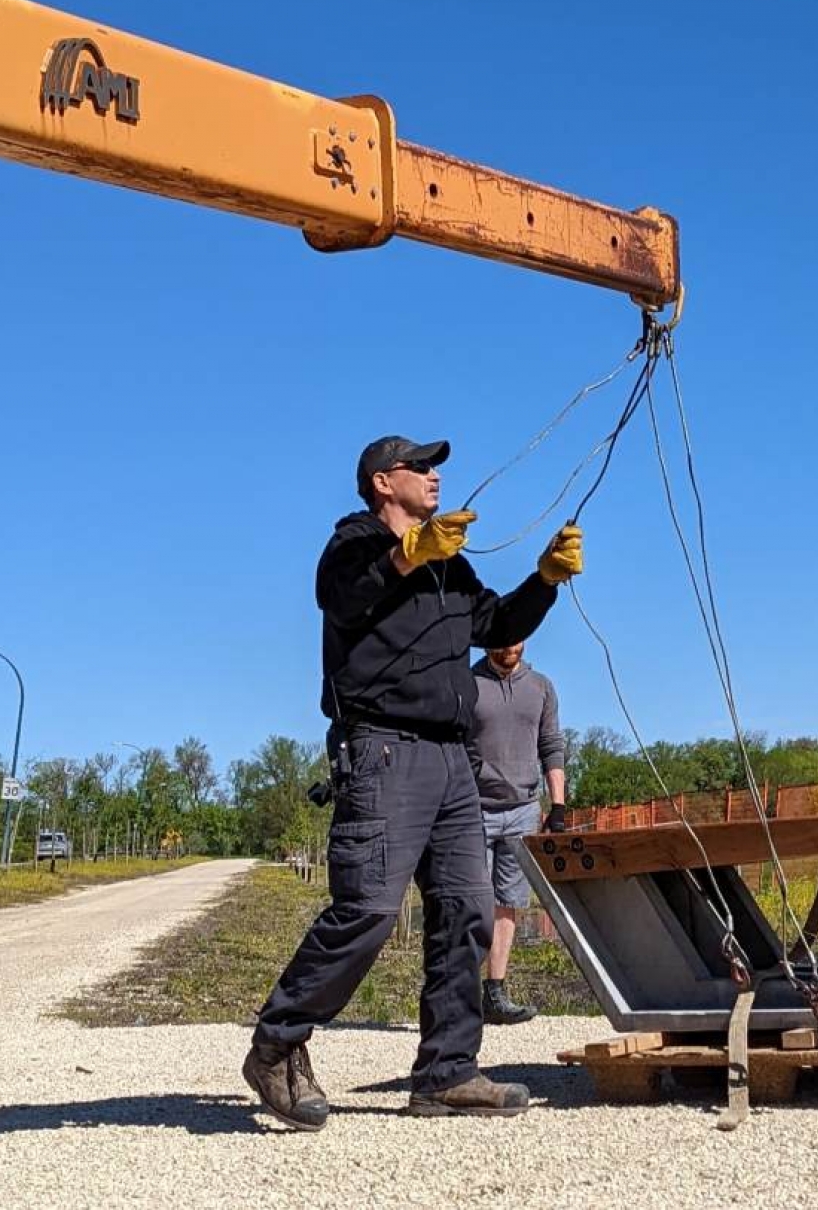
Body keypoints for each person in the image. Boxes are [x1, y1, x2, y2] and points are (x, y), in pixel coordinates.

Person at [242, 433, 583, 1128]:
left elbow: (497, 624)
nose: (434, 477)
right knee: (367, 908)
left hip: (454, 760)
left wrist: (544, 580)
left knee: (468, 910)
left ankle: (446, 1072)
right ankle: (277, 1043)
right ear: (380, 482)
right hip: (384, 750)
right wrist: (404, 555)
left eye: (436, 468)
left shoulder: (448, 567)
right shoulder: (353, 543)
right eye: (420, 467)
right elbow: (343, 598)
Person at [470, 636, 569, 1024]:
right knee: (471, 900)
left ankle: (495, 992)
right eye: (501, 641)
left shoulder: (541, 687)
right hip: (474, 807)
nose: (509, 647)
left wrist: (557, 805)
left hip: (523, 808)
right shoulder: (468, 683)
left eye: (516, 641)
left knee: (507, 901)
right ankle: (457, 990)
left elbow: (551, 746)